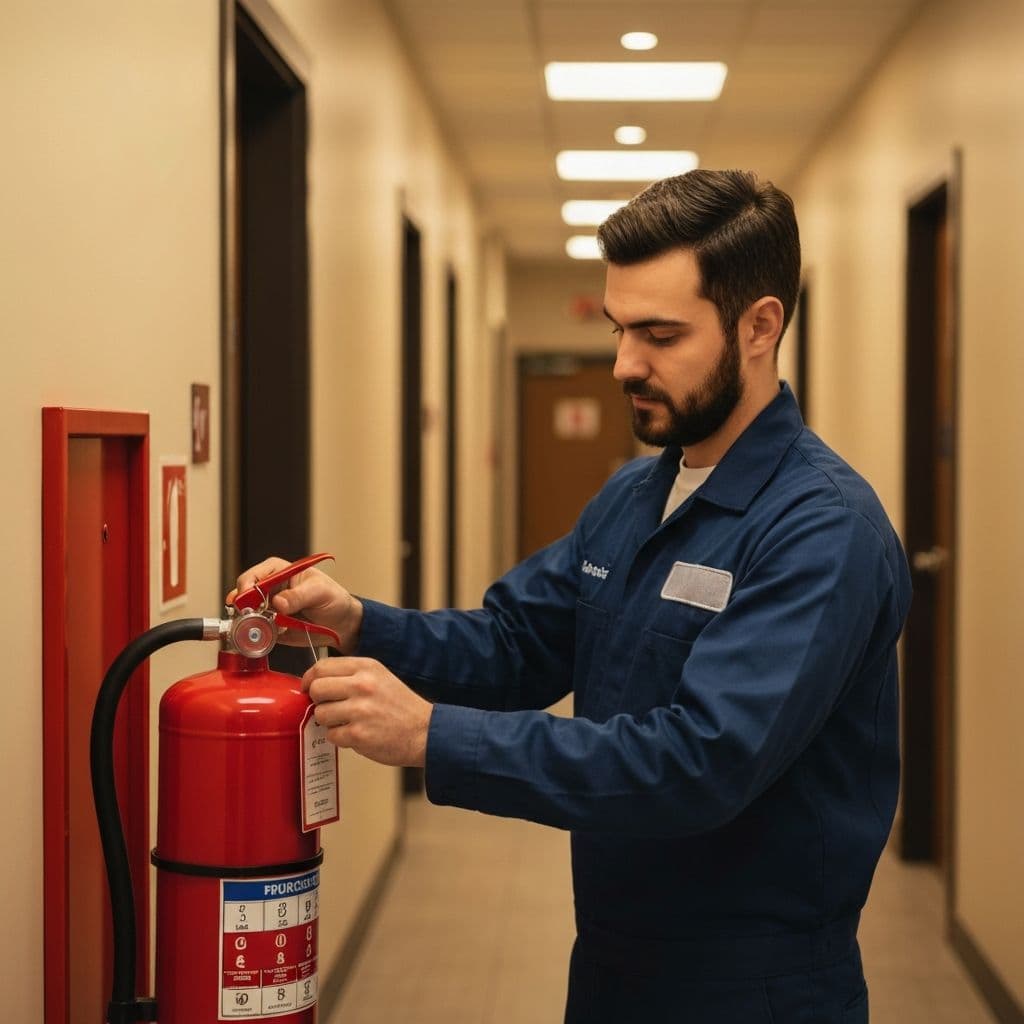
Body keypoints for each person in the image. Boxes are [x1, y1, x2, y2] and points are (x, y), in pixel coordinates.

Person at [236, 169, 911, 1023]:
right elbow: (516, 645)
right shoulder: (634, 496)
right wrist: (358, 620)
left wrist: (433, 737)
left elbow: (700, 765)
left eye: (660, 334)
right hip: (613, 963)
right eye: (620, 327)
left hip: (757, 988)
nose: (626, 362)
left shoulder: (823, 531)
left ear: (759, 327)